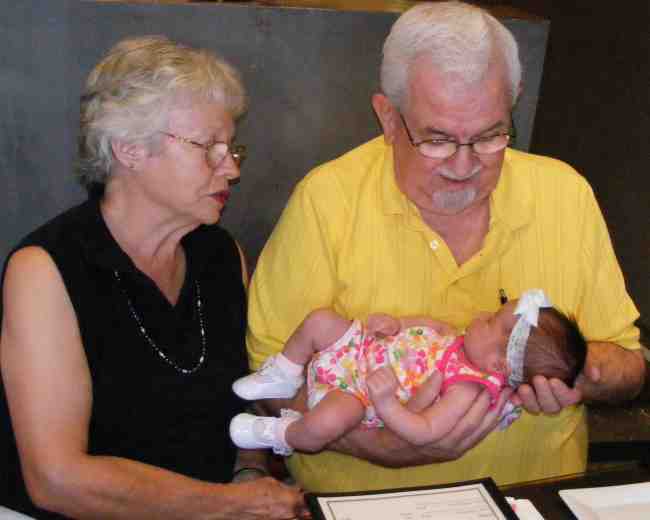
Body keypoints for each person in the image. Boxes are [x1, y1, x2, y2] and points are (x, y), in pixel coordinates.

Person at [246, 1, 645, 492]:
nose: (463, 165)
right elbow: (270, 378)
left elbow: (630, 365)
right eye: (436, 140)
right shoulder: (327, 201)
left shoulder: (565, 194)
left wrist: (577, 372)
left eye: (489, 136)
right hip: (369, 503)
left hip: (533, 495)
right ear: (388, 117)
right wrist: (386, 448)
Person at [0, 36, 307, 519]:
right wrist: (226, 505)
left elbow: (243, 399)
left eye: (231, 148)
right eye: (208, 148)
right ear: (129, 150)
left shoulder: (220, 254)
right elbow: (56, 480)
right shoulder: (46, 268)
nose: (230, 169)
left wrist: (249, 471)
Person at [231, 289, 586, 454]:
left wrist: (386, 404)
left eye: (491, 322)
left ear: (497, 365)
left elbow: (427, 430)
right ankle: (283, 372)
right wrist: (395, 323)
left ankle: (280, 434)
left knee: (326, 423)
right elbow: (427, 324)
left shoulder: (467, 388)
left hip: (361, 392)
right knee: (321, 319)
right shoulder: (460, 341)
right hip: (359, 348)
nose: (479, 317)